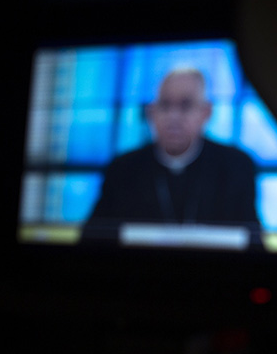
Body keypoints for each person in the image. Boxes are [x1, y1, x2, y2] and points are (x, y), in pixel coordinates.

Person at [81, 67, 262, 246]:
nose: (173, 117)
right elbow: (92, 240)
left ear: (206, 112)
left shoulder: (235, 166)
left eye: (185, 105)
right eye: (165, 105)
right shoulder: (123, 169)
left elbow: (252, 243)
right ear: (151, 112)